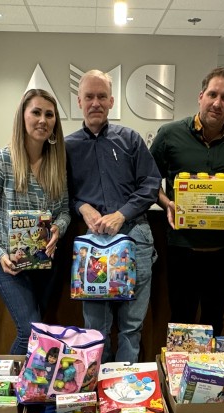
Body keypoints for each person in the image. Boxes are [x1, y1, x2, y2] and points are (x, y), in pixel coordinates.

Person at [151, 67, 224, 336]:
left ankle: (210, 365)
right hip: (182, 248)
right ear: (201, 96)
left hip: (223, 250)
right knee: (181, 320)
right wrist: (167, 203)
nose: (217, 103)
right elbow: (148, 183)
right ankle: (180, 365)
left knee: (215, 319)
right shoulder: (169, 134)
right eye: (212, 94)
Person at [65, 70, 160, 364]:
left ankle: (125, 385)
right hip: (93, 246)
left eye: (101, 96)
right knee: (96, 329)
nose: (95, 102)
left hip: (134, 237)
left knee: (132, 327)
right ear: (79, 101)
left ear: (111, 101)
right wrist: (81, 206)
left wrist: (122, 214)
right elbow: (59, 193)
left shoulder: (130, 139)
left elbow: (151, 184)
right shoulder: (67, 147)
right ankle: (99, 383)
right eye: (89, 97)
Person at [0, 89, 70, 355]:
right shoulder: (1, 160)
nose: (43, 120)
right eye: (36, 112)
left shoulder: (56, 164)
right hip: (9, 265)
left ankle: (30, 380)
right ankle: (11, 379)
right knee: (29, 332)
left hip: (45, 263)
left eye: (49, 114)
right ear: (22, 117)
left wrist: (59, 228)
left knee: (40, 331)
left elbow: (65, 211)